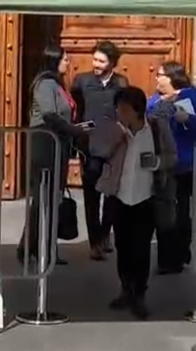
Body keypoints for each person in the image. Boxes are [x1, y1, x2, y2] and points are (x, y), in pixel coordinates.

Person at [89, 86, 177, 320]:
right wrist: (116, 137)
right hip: (119, 197)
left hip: (146, 197)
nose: (120, 113)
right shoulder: (116, 130)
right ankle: (125, 288)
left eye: (125, 109)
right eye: (118, 108)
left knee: (141, 248)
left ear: (137, 110)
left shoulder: (156, 129)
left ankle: (139, 293)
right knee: (123, 247)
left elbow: (172, 156)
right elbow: (99, 150)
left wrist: (156, 162)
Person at [17, 46, 87, 267]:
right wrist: (72, 129)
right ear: (54, 60)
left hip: (59, 145)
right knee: (44, 198)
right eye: (65, 59)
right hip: (46, 144)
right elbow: (49, 114)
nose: (68, 62)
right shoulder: (46, 84)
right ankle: (34, 248)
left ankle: (40, 248)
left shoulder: (58, 84)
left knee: (51, 198)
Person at [147, 61, 196, 274]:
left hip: (189, 165)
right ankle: (167, 260)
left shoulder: (193, 96)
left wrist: (188, 118)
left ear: (172, 77)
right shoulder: (155, 100)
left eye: (160, 75)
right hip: (163, 165)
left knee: (183, 212)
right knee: (164, 213)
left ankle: (180, 252)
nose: (156, 78)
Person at [70, 40, 128, 260]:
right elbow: (75, 111)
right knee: (92, 194)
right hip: (90, 145)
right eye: (94, 59)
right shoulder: (82, 81)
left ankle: (105, 234)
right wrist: (80, 133)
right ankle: (95, 241)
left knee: (112, 193)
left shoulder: (121, 83)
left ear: (112, 63)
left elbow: (125, 110)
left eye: (101, 61)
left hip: (114, 145)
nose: (96, 64)